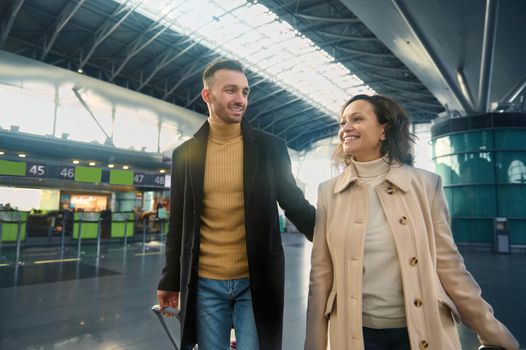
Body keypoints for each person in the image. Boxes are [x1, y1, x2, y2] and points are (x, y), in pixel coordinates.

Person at [305, 94, 519, 350]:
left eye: (357, 119)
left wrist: (491, 330)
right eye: (342, 122)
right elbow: (320, 277)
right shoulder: (329, 192)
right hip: (355, 335)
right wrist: (315, 344)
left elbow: (449, 267)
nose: (345, 128)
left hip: (420, 331)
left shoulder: (426, 185)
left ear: (384, 129)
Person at [157, 58, 315, 350]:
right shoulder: (185, 154)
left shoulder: (270, 148)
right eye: (231, 90)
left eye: (244, 92)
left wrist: (336, 240)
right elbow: (178, 223)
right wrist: (170, 279)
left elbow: (295, 204)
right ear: (208, 95)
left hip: (255, 282)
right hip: (204, 282)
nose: (240, 99)